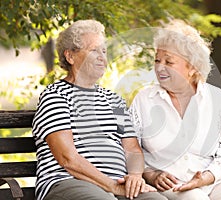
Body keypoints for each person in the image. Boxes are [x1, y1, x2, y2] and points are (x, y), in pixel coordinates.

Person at [129, 20, 221, 200]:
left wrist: (206, 177)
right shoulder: (144, 99)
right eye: (157, 60)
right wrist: (152, 174)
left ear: (192, 67)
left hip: (212, 181)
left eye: (169, 62)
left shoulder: (215, 98)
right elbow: (130, 147)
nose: (159, 67)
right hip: (172, 183)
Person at [32, 19, 167, 200]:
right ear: (70, 57)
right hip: (68, 182)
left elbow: (132, 148)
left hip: (117, 185)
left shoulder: (114, 101)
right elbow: (67, 158)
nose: (102, 57)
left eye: (104, 51)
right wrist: (110, 186)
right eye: (94, 50)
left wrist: (135, 176)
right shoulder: (55, 96)